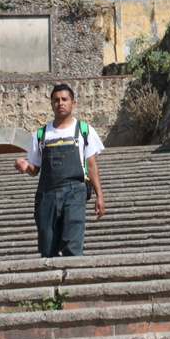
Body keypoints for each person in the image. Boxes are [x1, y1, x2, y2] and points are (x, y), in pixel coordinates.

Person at [14, 83, 105, 257]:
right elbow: (35, 170)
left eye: (64, 99)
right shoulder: (40, 134)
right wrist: (26, 166)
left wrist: (100, 195)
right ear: (51, 104)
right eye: (56, 100)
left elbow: (91, 165)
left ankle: (72, 281)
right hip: (47, 194)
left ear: (73, 103)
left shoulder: (84, 131)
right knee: (47, 247)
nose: (60, 103)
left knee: (72, 243)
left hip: (75, 191)